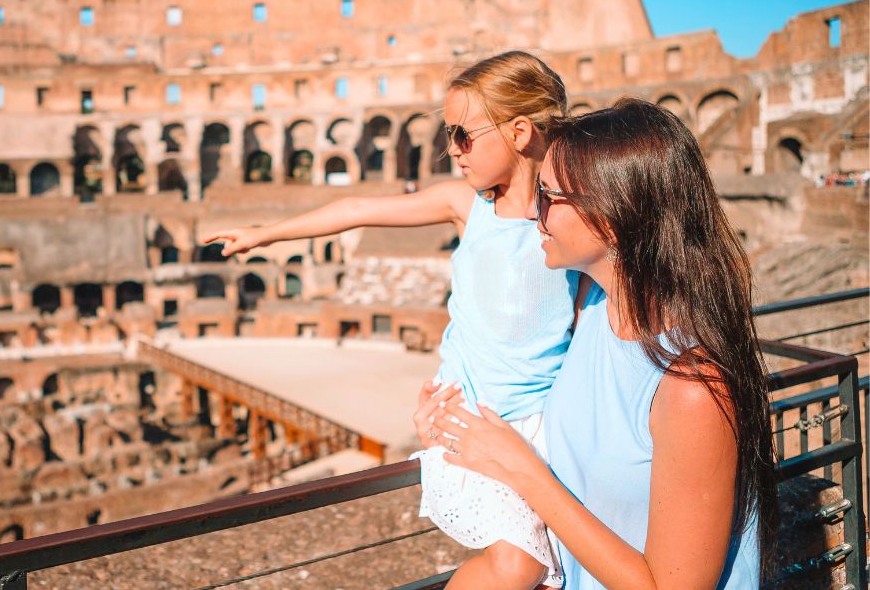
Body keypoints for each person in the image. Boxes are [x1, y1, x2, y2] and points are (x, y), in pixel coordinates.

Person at [206, 51, 578, 589]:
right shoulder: (465, 206)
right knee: (520, 565)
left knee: (550, 573)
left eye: (463, 135)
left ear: (520, 132)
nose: (452, 150)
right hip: (471, 417)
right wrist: (266, 233)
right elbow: (357, 208)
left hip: (547, 424)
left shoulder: (572, 217)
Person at [425, 99, 777, 588]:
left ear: (609, 217)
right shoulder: (592, 309)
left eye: (547, 196)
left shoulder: (693, 386)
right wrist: (448, 420)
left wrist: (525, 471)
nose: (531, 212)